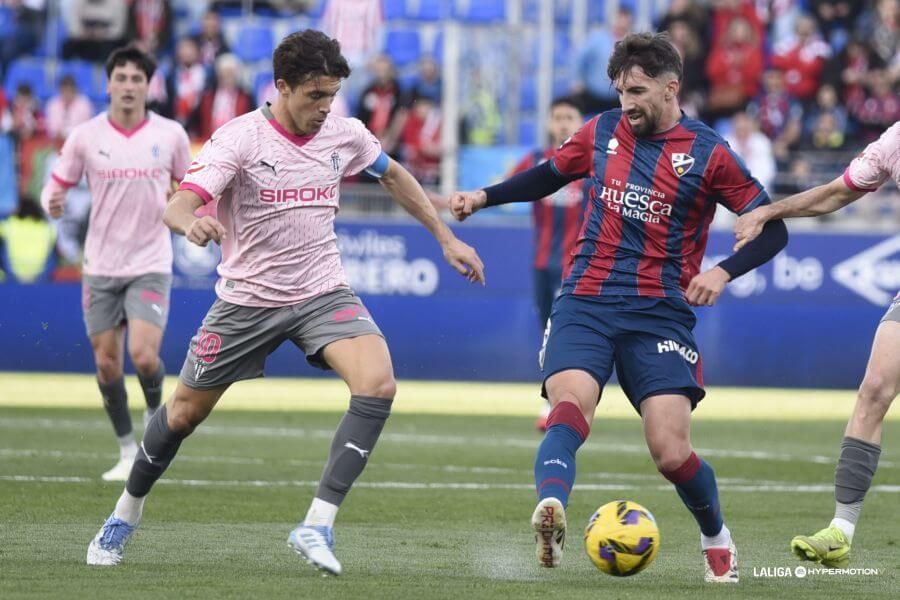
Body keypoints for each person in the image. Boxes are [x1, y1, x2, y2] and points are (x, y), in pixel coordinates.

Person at [85, 29, 485, 576]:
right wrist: (192, 224)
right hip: (247, 301)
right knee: (179, 415)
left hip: (322, 290)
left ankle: (317, 524)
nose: (325, 108)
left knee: (379, 383)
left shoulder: (344, 133)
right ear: (281, 87)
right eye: (314, 95)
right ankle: (125, 513)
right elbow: (179, 203)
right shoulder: (240, 139)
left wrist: (445, 237)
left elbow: (393, 176)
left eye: (332, 95)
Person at [450, 32, 789, 582]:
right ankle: (552, 510)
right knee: (569, 408)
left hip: (660, 312)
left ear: (670, 87)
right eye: (619, 90)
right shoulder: (602, 130)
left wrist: (723, 271)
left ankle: (716, 537)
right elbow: (550, 174)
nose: (625, 102)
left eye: (636, 91)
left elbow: (772, 231)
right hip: (586, 298)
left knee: (669, 450)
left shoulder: (708, 153)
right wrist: (483, 196)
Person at [734, 121, 900, 569]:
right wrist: (770, 212)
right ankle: (841, 530)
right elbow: (834, 194)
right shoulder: (894, 141)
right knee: (874, 389)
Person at [39, 45, 192, 481]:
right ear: (108, 85)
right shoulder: (86, 136)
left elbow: (193, 183)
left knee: (144, 357)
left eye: (137, 79)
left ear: (148, 85)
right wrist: (54, 196)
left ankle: (151, 422)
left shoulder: (171, 135)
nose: (128, 86)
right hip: (102, 263)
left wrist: (183, 198)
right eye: (121, 78)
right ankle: (126, 449)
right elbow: (60, 178)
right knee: (107, 362)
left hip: (150, 259)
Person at [506, 97, 587, 431]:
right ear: (549, 123)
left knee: (559, 334)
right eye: (558, 117)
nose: (564, 123)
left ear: (581, 122)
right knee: (548, 333)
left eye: (570, 117)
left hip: (576, 266)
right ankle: (562, 399)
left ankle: (553, 404)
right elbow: (508, 186)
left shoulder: (593, 162)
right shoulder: (536, 160)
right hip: (541, 263)